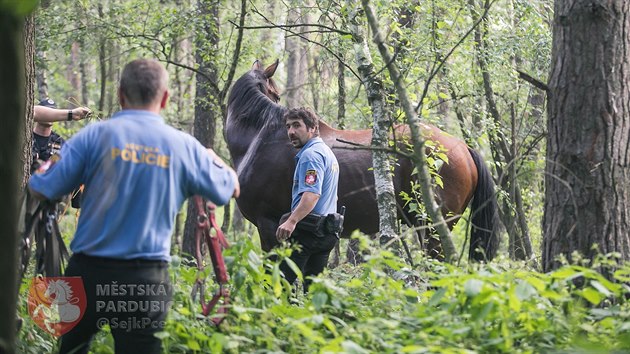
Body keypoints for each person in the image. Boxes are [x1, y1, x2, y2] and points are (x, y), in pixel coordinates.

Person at [28, 58, 240, 353]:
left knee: (72, 348)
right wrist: (215, 159)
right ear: (165, 98)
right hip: (145, 280)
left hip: (86, 273)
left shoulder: (92, 137)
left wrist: (44, 168)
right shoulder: (183, 147)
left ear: (120, 95)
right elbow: (230, 188)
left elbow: (42, 188)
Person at [276, 107, 341, 291]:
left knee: (280, 284)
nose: (291, 132)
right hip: (327, 231)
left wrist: (291, 221)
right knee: (313, 289)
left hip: (309, 233)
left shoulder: (310, 156)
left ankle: (276, 319)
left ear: (312, 127)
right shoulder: (327, 153)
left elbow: (312, 194)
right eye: (288, 126)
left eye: (297, 125)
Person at [31, 98, 91, 173]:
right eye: (47, 112)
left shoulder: (60, 142)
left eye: (52, 112)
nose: (49, 116)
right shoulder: (26, 137)